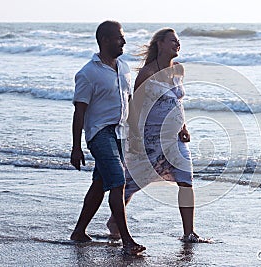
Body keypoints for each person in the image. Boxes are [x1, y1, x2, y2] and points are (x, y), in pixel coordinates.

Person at [106, 28, 209, 243]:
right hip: (150, 139)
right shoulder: (147, 73)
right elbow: (135, 107)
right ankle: (115, 221)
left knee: (186, 181)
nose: (177, 44)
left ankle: (189, 232)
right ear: (159, 44)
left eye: (178, 41)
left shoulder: (178, 70)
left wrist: (183, 127)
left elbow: (177, 102)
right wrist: (134, 139)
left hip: (174, 140)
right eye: (172, 41)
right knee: (132, 183)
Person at [70, 20, 146, 255]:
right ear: (105, 40)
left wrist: (134, 133)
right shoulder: (88, 73)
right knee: (118, 181)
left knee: (100, 184)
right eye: (119, 37)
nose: (124, 41)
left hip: (120, 133)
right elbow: (79, 111)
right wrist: (76, 147)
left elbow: (129, 102)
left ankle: (79, 232)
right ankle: (127, 240)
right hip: (99, 133)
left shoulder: (123, 67)